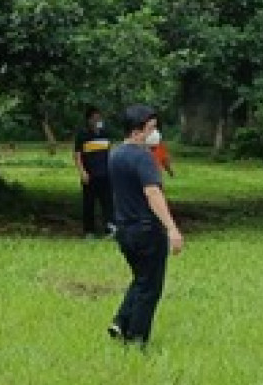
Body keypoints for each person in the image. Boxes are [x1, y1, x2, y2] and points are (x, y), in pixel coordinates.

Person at [107, 105, 183, 348]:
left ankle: (121, 321)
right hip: (147, 230)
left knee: (141, 279)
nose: (156, 133)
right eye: (151, 127)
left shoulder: (115, 155)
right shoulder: (143, 158)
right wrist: (171, 228)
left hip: (124, 229)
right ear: (137, 131)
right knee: (151, 288)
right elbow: (153, 193)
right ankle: (136, 338)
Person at [72, 106, 115, 238]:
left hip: (105, 174)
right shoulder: (82, 135)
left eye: (99, 117)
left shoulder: (105, 133)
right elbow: (77, 155)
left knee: (108, 202)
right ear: (89, 120)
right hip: (90, 175)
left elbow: (110, 151)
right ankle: (89, 231)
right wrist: (82, 171)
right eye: (95, 118)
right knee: (89, 203)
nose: (98, 120)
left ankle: (110, 228)